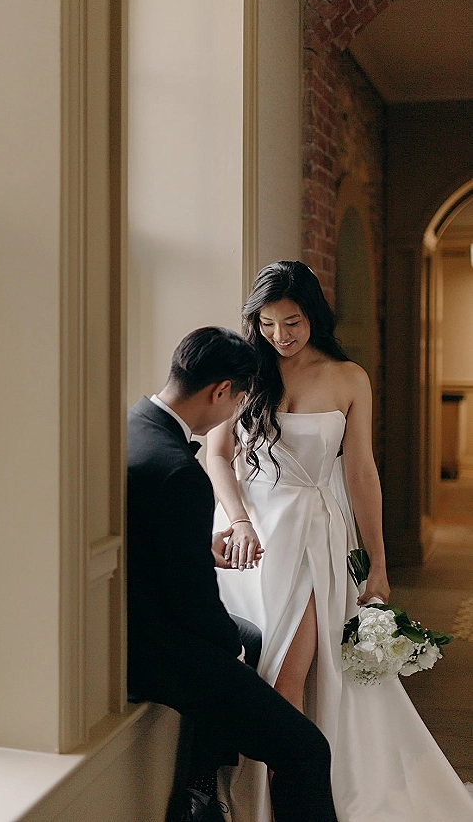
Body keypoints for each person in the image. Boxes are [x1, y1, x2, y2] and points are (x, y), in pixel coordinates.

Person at [206, 261, 473, 822]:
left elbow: (361, 474)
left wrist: (376, 560)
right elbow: (217, 453)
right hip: (248, 539)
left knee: (287, 673)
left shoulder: (349, 378)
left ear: (314, 316)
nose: (280, 336)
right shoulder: (245, 368)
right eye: (269, 323)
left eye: (293, 322)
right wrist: (237, 520)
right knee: (251, 668)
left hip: (314, 540)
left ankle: (284, 804)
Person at [127, 326, 338, 822]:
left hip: (132, 619)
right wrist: (231, 648)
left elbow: (141, 540)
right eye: (241, 399)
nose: (239, 413)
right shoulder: (181, 471)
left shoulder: (135, 426)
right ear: (221, 391)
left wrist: (201, 548)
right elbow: (196, 608)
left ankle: (202, 784)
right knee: (308, 750)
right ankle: (203, 793)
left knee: (254, 636)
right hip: (156, 650)